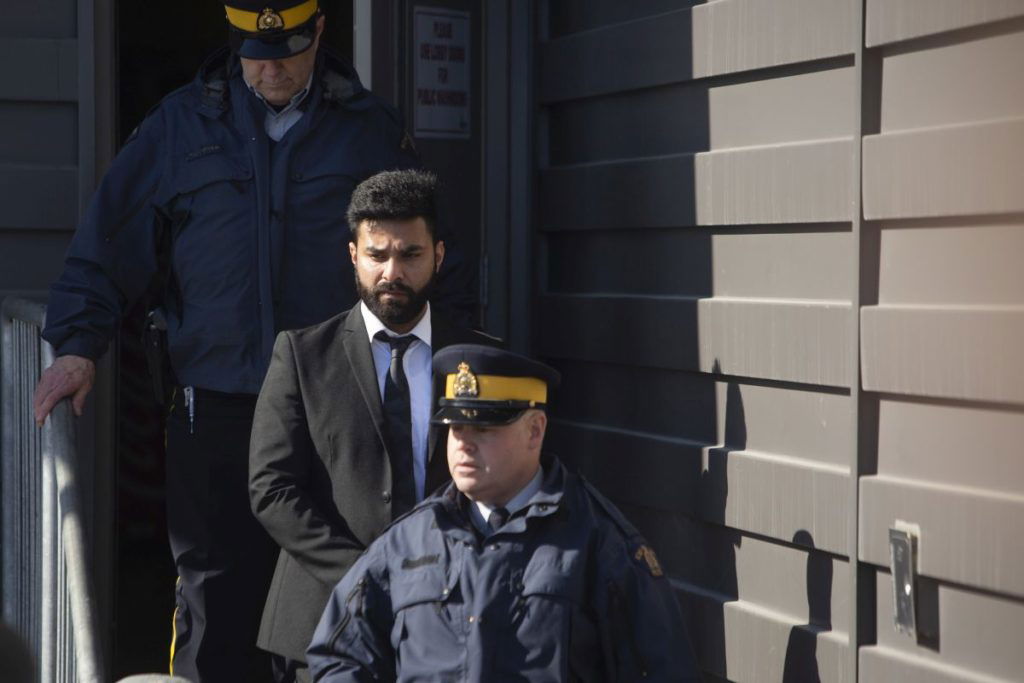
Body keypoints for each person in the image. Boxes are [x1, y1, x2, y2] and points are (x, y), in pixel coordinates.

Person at [30, 3, 466, 680]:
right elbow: (109, 244)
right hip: (218, 408)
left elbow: (422, 263)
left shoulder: (370, 131)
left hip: (335, 408)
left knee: (336, 601)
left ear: (319, 32)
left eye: (285, 52)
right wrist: (78, 344)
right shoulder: (180, 126)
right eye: (252, 53)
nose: (267, 69)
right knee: (214, 609)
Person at [307, 344, 700, 682]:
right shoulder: (408, 540)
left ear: (535, 430)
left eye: (484, 430)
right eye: (456, 429)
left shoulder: (600, 542)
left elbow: (662, 670)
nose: (463, 445)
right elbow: (340, 653)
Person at [249, 170, 498, 683]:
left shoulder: (480, 359)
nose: (392, 271)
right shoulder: (301, 355)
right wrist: (365, 575)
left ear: (439, 256)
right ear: (353, 256)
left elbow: (504, 480)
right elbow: (271, 489)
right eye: (377, 255)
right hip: (324, 619)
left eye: (410, 255)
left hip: (452, 615)